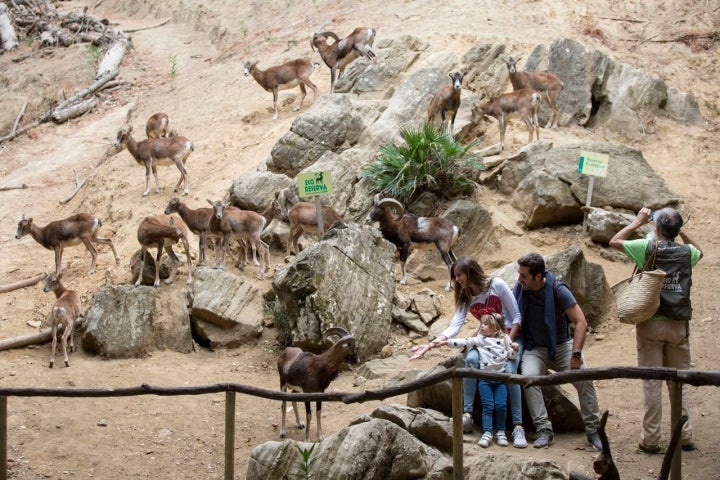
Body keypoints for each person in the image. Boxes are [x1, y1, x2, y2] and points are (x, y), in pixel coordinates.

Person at [609, 207, 703, 454]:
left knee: (652, 382)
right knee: (679, 383)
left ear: (657, 228)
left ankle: (651, 439)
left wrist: (636, 221)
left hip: (651, 322)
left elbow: (615, 241)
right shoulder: (687, 253)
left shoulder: (647, 248)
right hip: (678, 325)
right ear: (676, 229)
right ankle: (684, 435)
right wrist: (682, 231)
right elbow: (700, 251)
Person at [410, 256, 528, 448]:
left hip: (509, 337)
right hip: (485, 340)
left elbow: (516, 316)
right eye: (455, 276)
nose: (457, 279)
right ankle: (467, 413)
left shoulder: (496, 285)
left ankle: (517, 426)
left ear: (470, 271)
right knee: (471, 360)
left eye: (459, 275)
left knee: (510, 371)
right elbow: (455, 325)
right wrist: (432, 344)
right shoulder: (465, 295)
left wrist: (506, 344)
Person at [513, 252, 602, 450]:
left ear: (537, 276)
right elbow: (514, 317)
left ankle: (593, 430)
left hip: (562, 345)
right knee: (528, 378)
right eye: (519, 274)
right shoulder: (520, 289)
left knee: (584, 379)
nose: (519, 279)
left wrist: (576, 354)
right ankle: (544, 429)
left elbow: (581, 322)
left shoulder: (557, 289)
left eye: (523, 275)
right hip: (534, 347)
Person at [436, 312, 519, 447]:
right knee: (488, 406)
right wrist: (445, 342)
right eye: (482, 323)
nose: (482, 327)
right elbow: (464, 341)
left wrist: (515, 349)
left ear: (496, 328)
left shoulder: (505, 340)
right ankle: (487, 432)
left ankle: (501, 432)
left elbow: (512, 356)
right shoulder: (480, 339)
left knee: (501, 406)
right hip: (484, 380)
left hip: (500, 379)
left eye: (486, 324)